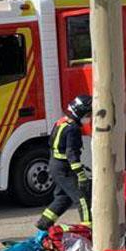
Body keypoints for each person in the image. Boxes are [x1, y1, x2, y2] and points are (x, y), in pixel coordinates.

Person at [37, 95, 93, 231]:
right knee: (82, 198)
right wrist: (81, 175)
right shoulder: (73, 129)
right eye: (88, 114)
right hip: (64, 168)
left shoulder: (61, 122)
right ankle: (89, 228)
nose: (89, 117)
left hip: (55, 165)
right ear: (80, 113)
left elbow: (51, 144)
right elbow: (71, 155)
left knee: (63, 198)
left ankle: (43, 223)